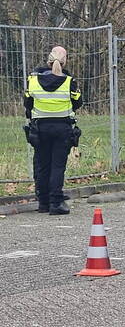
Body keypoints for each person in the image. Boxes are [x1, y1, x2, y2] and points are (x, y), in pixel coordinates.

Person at [24, 45, 82, 215]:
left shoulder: (33, 80)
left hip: (39, 128)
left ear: (48, 61)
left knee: (42, 164)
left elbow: (27, 104)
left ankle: (43, 203)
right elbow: (78, 103)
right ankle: (56, 202)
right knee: (58, 166)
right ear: (65, 62)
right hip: (62, 128)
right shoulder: (70, 82)